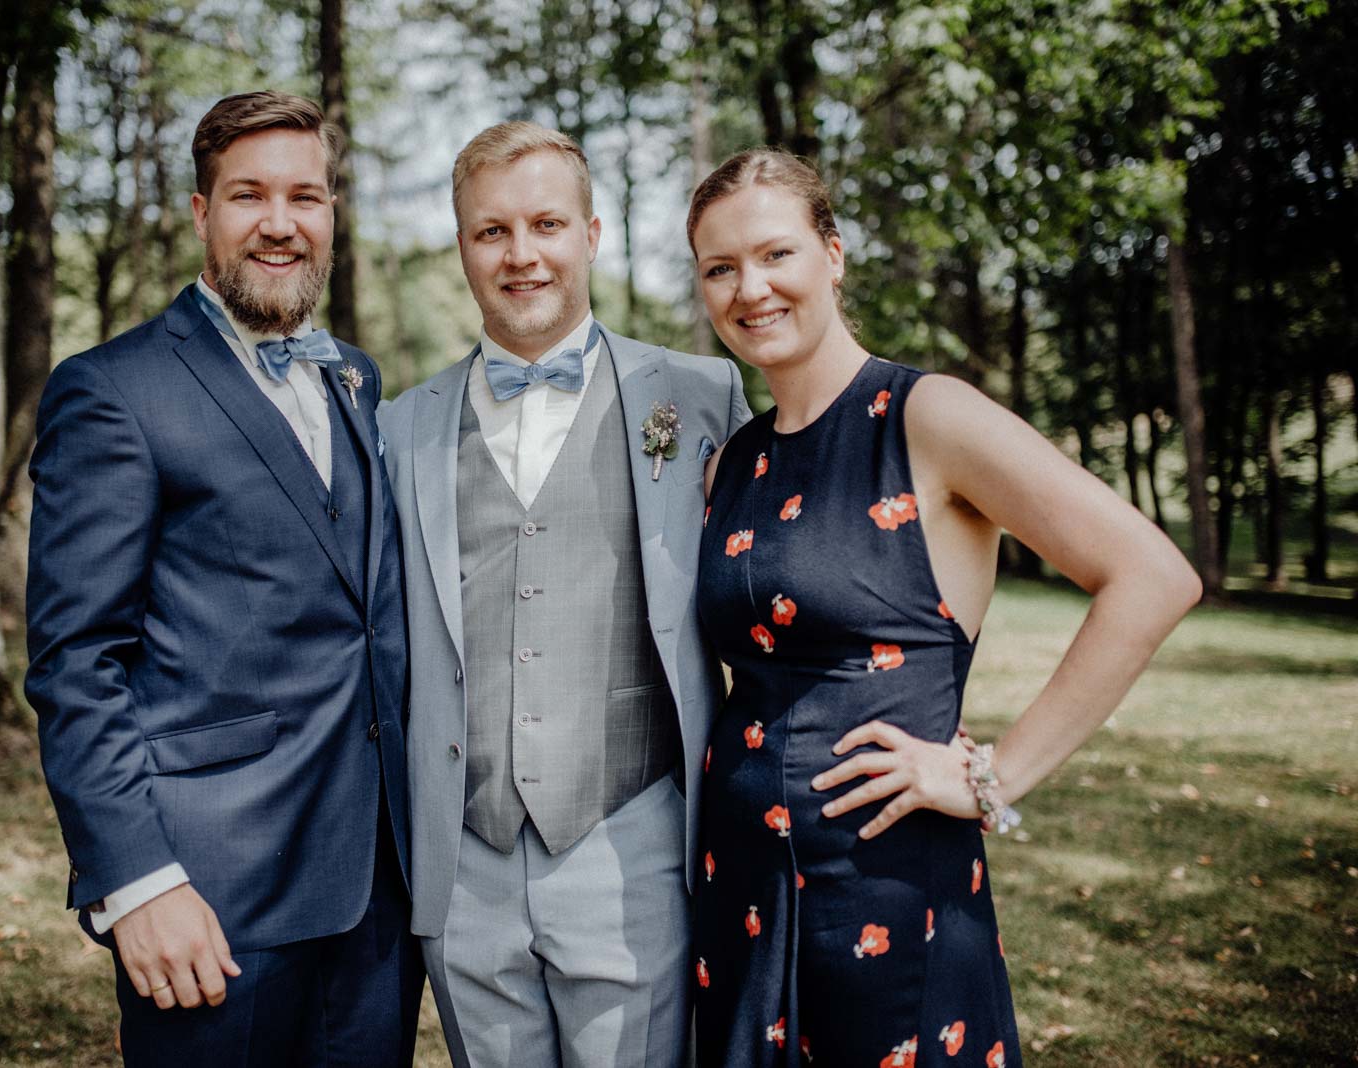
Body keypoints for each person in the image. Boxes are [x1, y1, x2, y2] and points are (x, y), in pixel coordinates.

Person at [686, 148, 1202, 1067]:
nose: (749, 288)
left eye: (776, 255)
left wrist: (989, 777)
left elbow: (1152, 576)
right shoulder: (733, 461)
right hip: (743, 901)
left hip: (889, 894)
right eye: (720, 268)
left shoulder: (926, 416)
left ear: (833, 255)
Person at [25, 91, 422, 1067]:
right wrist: (139, 881)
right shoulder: (113, 390)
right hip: (210, 901)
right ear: (202, 212)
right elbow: (77, 661)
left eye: (306, 197)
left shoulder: (357, 380)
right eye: (249, 195)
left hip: (379, 891)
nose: (281, 223)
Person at [378, 121, 751, 1068]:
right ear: (463, 248)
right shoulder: (397, 430)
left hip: (633, 846)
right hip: (464, 865)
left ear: (591, 234)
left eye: (546, 224)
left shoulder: (702, 397)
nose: (520, 255)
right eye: (490, 232)